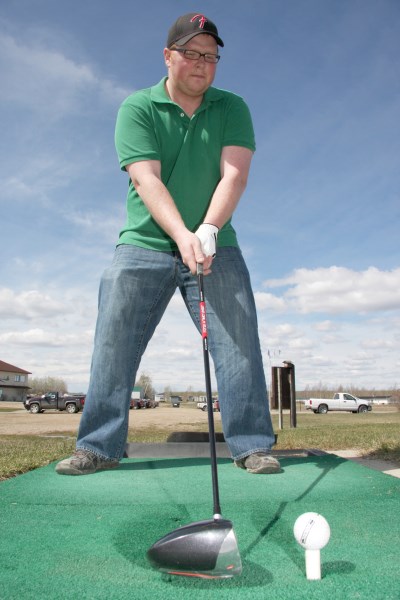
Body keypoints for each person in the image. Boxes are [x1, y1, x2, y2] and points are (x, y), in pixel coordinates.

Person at [56, 12, 280, 476]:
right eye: (191, 53)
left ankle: (252, 445)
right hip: (144, 242)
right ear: (168, 56)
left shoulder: (232, 107)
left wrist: (209, 230)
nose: (202, 64)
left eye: (211, 56)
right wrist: (182, 235)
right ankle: (98, 446)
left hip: (216, 244)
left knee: (239, 343)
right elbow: (146, 179)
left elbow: (234, 175)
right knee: (114, 340)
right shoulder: (137, 107)